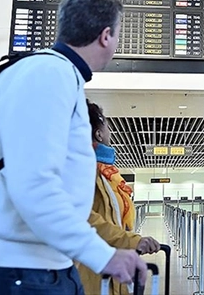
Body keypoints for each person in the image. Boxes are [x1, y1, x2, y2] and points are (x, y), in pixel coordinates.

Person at [0, 0, 146, 295]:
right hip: (17, 269)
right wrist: (103, 255)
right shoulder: (50, 75)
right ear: (106, 36)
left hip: (37, 263)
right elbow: (33, 184)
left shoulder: (54, 73)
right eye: (118, 34)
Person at [78, 101, 160, 295]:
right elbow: (84, 218)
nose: (110, 132)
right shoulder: (83, 171)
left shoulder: (106, 175)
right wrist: (130, 241)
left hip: (114, 266)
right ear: (99, 133)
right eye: (107, 126)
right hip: (93, 271)